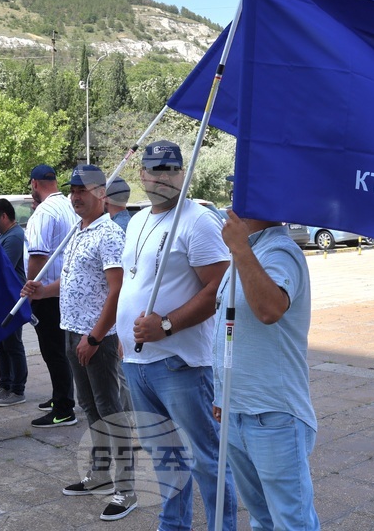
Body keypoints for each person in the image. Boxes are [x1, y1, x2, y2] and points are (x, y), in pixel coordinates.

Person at [116, 140, 237, 531]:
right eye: (154, 170)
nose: (162, 177)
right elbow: (133, 281)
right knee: (165, 457)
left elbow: (219, 288)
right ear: (142, 175)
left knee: (206, 458)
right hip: (137, 362)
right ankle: (173, 527)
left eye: (170, 170)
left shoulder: (197, 220)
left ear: (183, 173)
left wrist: (166, 325)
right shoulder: (135, 220)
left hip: (180, 363)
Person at [24, 164, 137, 521]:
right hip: (73, 331)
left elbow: (116, 291)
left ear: (101, 194)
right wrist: (43, 290)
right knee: (90, 407)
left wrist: (95, 337)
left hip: (96, 338)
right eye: (72, 189)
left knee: (111, 410)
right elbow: (74, 282)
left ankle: (127, 489)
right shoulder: (78, 230)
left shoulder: (109, 234)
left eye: (83, 190)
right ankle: (100, 475)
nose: (75, 196)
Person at [212, 204, 319, 530]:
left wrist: (241, 248)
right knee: (262, 519)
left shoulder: (280, 251)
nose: (229, 205)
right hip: (237, 410)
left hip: (272, 415)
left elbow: (269, 309)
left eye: (238, 195)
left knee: (291, 522)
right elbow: (228, 328)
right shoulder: (246, 253)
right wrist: (221, 393)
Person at [25, 163, 78, 427]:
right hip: (63, 288)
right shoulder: (68, 206)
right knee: (60, 349)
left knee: (53, 350)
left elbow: (37, 254)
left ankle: (64, 409)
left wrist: (30, 288)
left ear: (35, 184)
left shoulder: (44, 212)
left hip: (47, 293)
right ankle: (62, 397)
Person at [0, 197, 28, 407]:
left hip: (11, 301)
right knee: (1, 344)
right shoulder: (4, 236)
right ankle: (5, 385)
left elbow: (2, 268)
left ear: (3, 216)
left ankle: (17, 390)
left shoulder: (14, 237)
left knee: (12, 345)